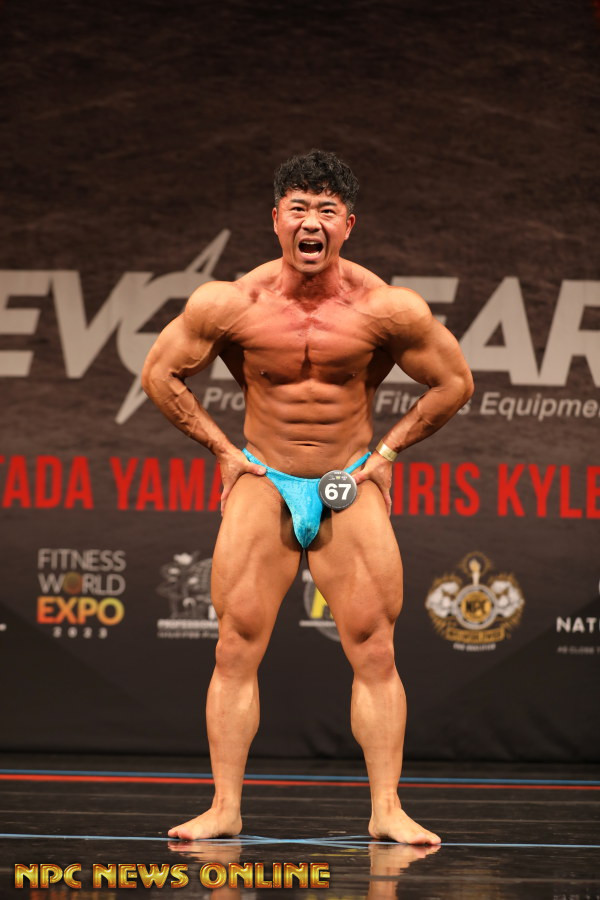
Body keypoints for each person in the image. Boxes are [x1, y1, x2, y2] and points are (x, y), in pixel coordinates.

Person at [142, 149, 474, 845]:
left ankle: (386, 810)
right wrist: (224, 451)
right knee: (235, 647)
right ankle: (225, 807)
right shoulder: (229, 303)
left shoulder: (387, 309)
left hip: (345, 481)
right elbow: (160, 374)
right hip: (264, 478)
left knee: (375, 649)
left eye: (327, 210)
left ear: (349, 224)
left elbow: (454, 383)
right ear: (276, 220)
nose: (311, 222)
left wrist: (386, 455)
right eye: (298, 208)